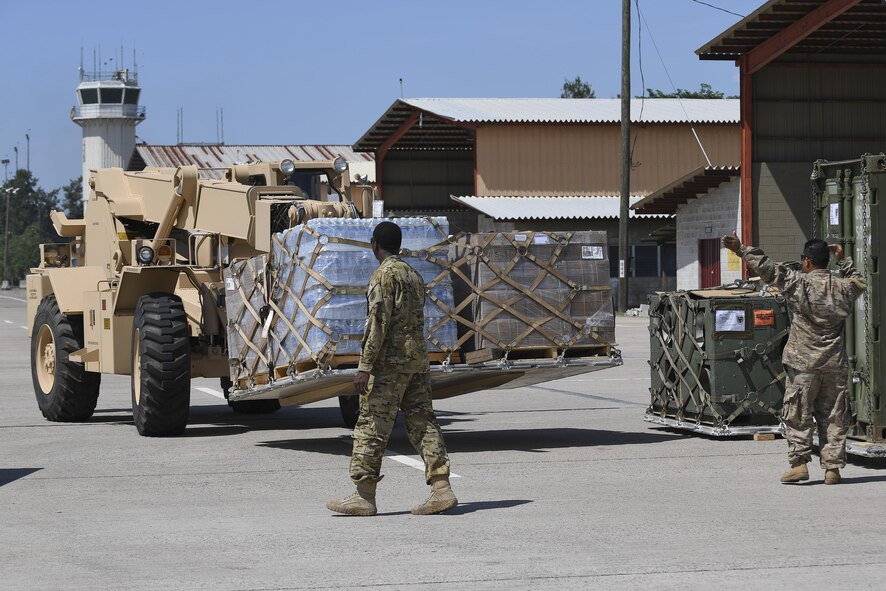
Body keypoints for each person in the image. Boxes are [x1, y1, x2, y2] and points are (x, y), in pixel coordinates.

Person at [327, 221, 457, 515]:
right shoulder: (413, 275)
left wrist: (364, 366)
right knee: (423, 421)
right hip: (417, 361)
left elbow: (378, 323)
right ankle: (442, 488)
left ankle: (364, 495)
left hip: (389, 365)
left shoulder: (383, 276)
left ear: (375, 245)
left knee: (371, 425)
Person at [722, 233, 866, 485]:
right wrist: (843, 260)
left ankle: (799, 465)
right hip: (834, 363)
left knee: (798, 413)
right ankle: (832, 469)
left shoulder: (799, 283)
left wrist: (741, 249)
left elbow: (768, 268)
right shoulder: (843, 287)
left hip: (803, 364)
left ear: (807, 262)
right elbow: (859, 281)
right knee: (834, 416)